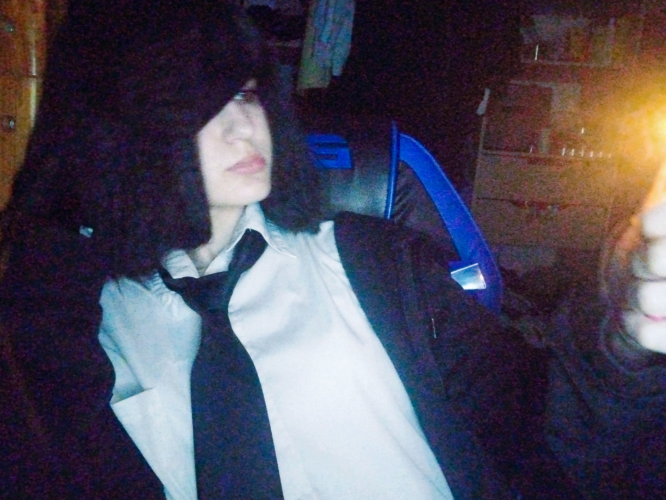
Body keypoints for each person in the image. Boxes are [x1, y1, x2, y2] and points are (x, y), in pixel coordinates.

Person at [1, 1, 665, 499]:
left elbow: (548, 439)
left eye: (246, 93)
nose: (243, 126)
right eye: (198, 105)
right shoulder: (79, 324)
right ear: (120, 126)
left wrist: (621, 338)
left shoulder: (382, 266)